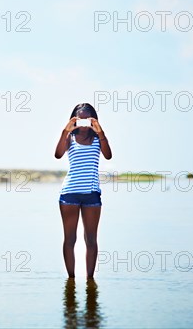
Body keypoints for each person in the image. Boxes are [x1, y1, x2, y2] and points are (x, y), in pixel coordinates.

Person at [54, 103, 112, 278]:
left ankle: (90, 280)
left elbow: (108, 155)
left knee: (91, 240)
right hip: (69, 193)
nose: (85, 122)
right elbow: (58, 154)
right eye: (81, 118)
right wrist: (65, 130)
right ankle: (70, 279)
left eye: (88, 118)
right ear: (74, 119)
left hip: (92, 194)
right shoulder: (69, 137)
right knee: (70, 239)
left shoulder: (97, 138)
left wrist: (100, 132)